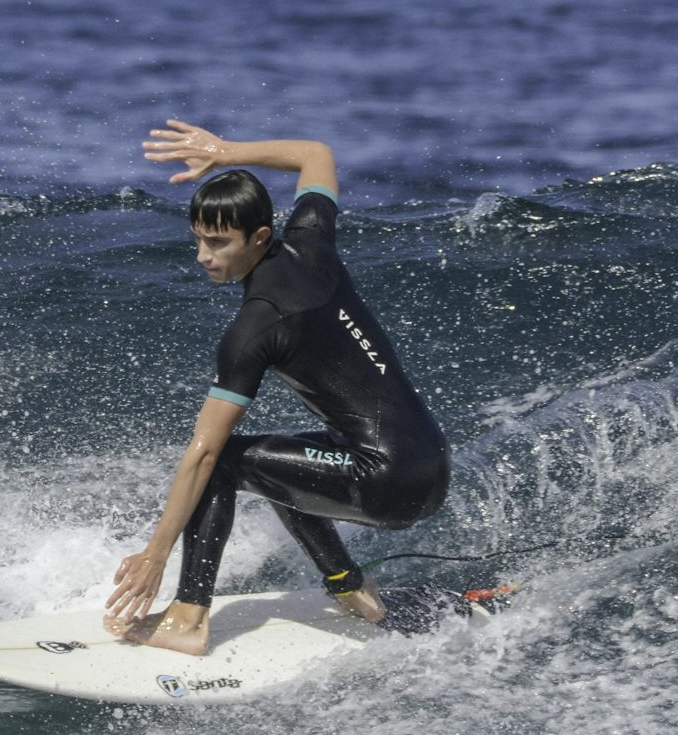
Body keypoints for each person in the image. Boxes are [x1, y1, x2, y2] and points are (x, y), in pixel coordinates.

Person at [104, 119, 451, 656]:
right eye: (198, 239)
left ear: (260, 237)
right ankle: (352, 591)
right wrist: (226, 152)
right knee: (277, 462)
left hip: (385, 482)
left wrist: (156, 553)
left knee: (227, 462)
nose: (203, 256)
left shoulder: (257, 326)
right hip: (430, 465)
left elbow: (204, 454)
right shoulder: (312, 242)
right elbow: (316, 153)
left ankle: (188, 619)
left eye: (218, 242)